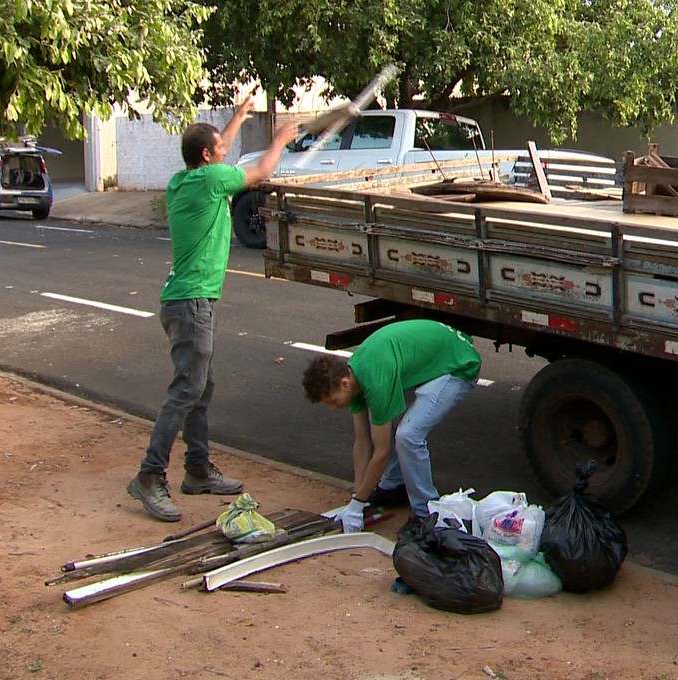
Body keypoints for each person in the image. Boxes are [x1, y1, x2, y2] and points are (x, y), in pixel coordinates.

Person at [126, 97, 301, 522]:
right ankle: (149, 474)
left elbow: (217, 144)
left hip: (184, 301)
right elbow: (262, 170)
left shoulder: (182, 181)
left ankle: (198, 469)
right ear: (207, 156)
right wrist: (280, 140)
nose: (226, 149)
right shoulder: (212, 180)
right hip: (192, 304)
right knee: (187, 390)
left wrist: (238, 116)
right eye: (221, 147)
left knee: (200, 388)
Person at [301, 319, 482, 533]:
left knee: (408, 436)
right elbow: (362, 440)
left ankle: (428, 514)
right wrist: (358, 496)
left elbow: (382, 452)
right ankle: (394, 486)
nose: (332, 408)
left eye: (332, 401)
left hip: (459, 365)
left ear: (344, 384)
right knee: (381, 421)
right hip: (436, 359)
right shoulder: (354, 376)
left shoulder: (375, 381)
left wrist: (358, 503)